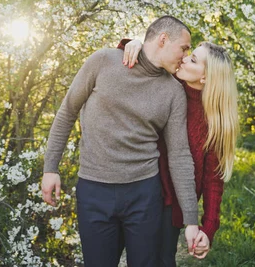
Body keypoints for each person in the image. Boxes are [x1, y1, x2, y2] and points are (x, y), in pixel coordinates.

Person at [41, 16, 201, 267]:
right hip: (94, 190)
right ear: (163, 39)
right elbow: (67, 112)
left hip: (144, 194)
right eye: (184, 48)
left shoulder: (173, 91)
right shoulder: (103, 61)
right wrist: (50, 168)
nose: (184, 55)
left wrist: (192, 220)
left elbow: (179, 155)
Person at [121, 39, 239, 265]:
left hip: (173, 201)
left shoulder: (214, 120)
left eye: (193, 59)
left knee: (163, 260)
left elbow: (213, 179)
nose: (184, 58)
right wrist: (134, 44)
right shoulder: (167, 80)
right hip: (138, 185)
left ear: (205, 77)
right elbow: (141, 63)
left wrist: (209, 227)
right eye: (188, 54)